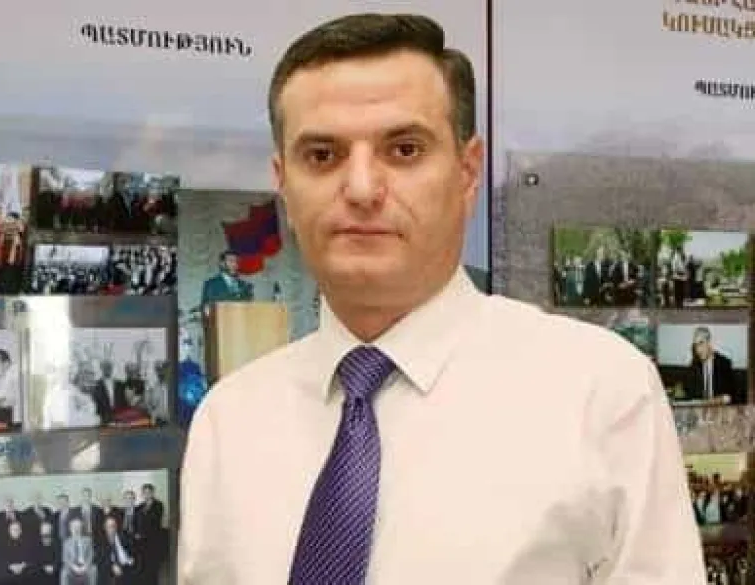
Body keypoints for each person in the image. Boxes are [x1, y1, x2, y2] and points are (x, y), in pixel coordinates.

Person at [179, 12, 705, 584]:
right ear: (283, 182)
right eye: (323, 155)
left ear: (468, 172)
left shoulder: (600, 394)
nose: (361, 189)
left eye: (404, 149)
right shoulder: (228, 423)